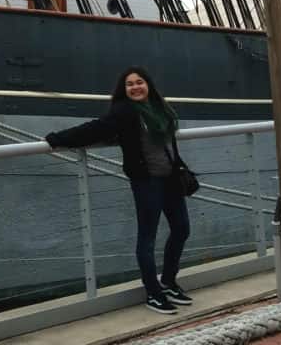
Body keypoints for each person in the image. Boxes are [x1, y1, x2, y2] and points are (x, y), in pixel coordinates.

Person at [45, 66, 192, 315]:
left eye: (139, 82)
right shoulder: (125, 112)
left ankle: (168, 281)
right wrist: (56, 138)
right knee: (147, 238)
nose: (135, 87)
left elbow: (170, 145)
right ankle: (153, 293)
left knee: (181, 229)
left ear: (148, 85)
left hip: (170, 179)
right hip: (147, 182)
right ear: (124, 90)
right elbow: (95, 128)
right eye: (129, 84)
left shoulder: (160, 109)